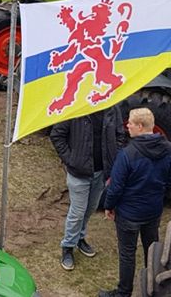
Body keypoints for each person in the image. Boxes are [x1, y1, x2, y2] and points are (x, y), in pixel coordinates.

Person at [100, 108, 171, 297]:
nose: (127, 125)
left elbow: (116, 187)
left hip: (128, 214)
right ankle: (156, 287)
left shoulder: (127, 154)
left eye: (131, 123)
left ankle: (124, 292)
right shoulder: (170, 149)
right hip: (153, 210)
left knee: (127, 253)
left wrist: (109, 206)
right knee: (152, 248)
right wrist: (160, 194)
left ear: (141, 127)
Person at [49, 106, 127, 271]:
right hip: (79, 173)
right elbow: (57, 135)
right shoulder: (74, 108)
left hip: (101, 172)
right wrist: (71, 159)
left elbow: (120, 134)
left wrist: (115, 157)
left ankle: (80, 238)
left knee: (90, 208)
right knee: (77, 212)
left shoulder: (112, 107)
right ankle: (68, 247)